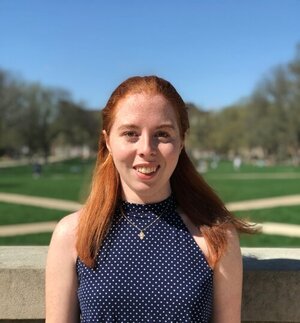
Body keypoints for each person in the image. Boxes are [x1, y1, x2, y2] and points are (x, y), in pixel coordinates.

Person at [46, 75, 254, 322]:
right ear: (108, 141)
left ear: (181, 142)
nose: (146, 148)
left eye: (162, 134)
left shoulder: (217, 237)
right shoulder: (72, 234)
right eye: (131, 133)